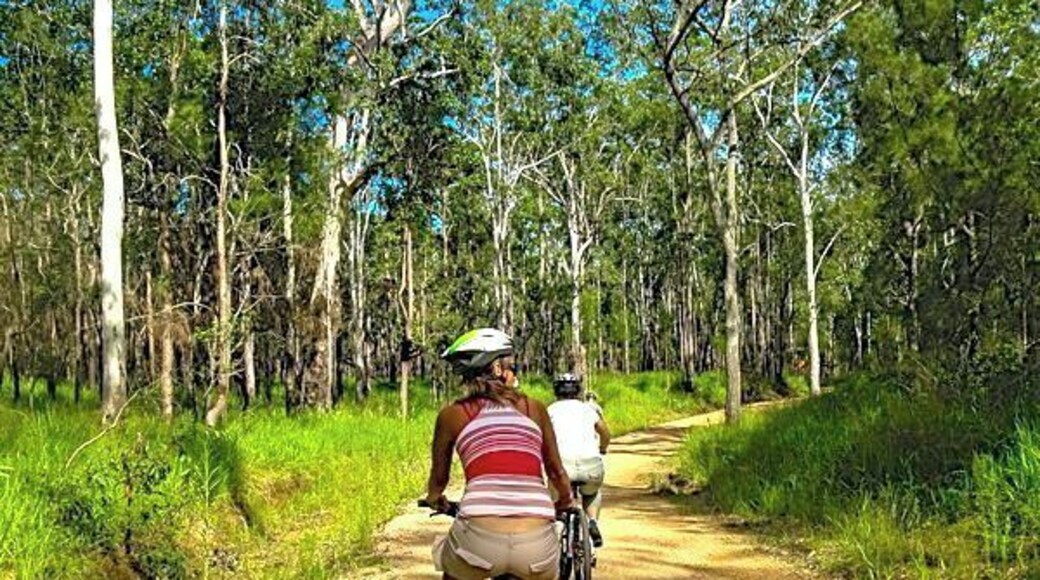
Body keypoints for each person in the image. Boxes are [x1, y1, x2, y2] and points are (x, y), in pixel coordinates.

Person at [425, 328, 573, 580]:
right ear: (497, 369)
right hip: (535, 548)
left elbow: (439, 478)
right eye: (510, 365)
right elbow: (555, 471)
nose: (514, 371)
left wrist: (435, 497)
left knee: (453, 570)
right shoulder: (534, 409)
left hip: (478, 545)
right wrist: (565, 501)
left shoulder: (452, 415)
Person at [548, 373, 610, 548]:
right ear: (578, 390)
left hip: (562, 467)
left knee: (555, 495)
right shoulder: (588, 410)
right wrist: (603, 448)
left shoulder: (550, 410)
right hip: (591, 464)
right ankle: (592, 522)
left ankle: (559, 524)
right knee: (592, 492)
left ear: (556, 391)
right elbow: (605, 432)